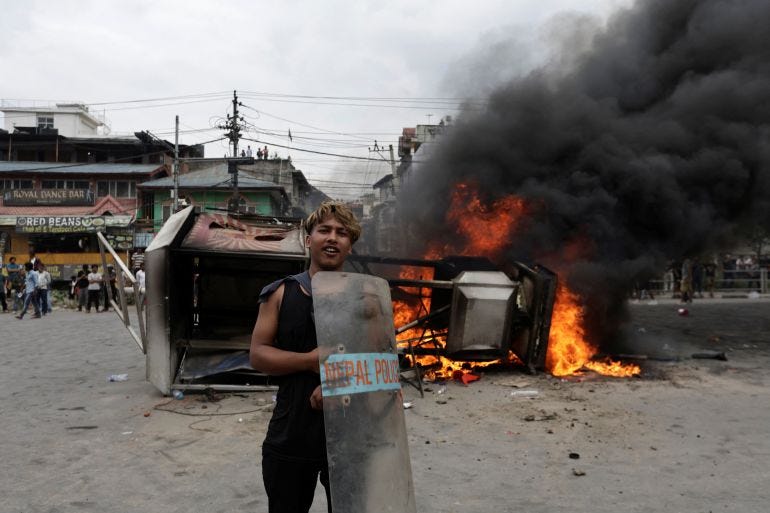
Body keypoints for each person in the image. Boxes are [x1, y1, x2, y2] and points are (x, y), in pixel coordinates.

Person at [250, 201, 361, 513]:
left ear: (349, 246)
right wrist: (310, 360)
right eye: (324, 230)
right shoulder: (281, 293)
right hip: (291, 433)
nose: (332, 237)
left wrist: (337, 381)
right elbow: (258, 355)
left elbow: (380, 360)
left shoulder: (365, 301)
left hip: (351, 432)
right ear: (308, 239)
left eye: (342, 233)